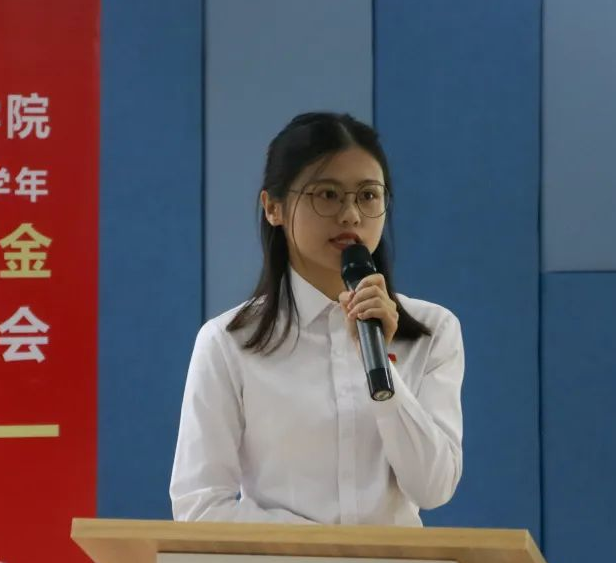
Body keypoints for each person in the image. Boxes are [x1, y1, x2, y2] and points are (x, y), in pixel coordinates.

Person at [169, 112, 464, 526]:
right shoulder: (228, 342)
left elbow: (433, 488)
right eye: (327, 194)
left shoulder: (434, 330)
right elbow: (199, 506)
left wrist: (381, 367)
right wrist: (323, 552)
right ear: (273, 207)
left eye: (368, 195)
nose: (351, 215)